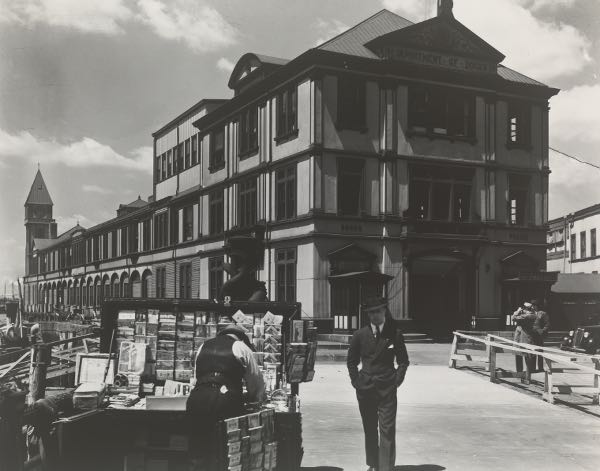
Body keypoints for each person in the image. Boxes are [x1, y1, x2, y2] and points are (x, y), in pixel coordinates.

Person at [186, 324, 265, 470]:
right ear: (240, 337)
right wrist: (252, 398)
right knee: (225, 449)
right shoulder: (240, 347)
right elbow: (256, 383)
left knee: (199, 449)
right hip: (225, 401)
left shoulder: (204, 346)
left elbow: (197, 377)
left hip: (197, 399)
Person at [346, 297, 410, 471]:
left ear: (384, 311)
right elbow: (351, 362)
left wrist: (396, 381)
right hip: (365, 388)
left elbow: (403, 361)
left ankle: (385, 467)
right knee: (369, 428)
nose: (375, 316)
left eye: (378, 311)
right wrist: (356, 381)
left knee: (387, 430)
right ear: (368, 315)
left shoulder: (395, 333)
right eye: (371, 313)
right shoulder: (359, 335)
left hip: (387, 388)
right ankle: (374, 464)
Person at [512, 302, 537, 374]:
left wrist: (517, 311)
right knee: (527, 356)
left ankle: (520, 373)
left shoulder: (526, 316)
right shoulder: (533, 315)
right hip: (527, 337)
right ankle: (528, 373)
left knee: (521, 355)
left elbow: (513, 318)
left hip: (521, 337)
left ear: (526, 309)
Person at [530, 299, 550, 371]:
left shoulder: (542, 313)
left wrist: (542, 331)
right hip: (531, 335)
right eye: (532, 305)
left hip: (539, 335)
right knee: (532, 351)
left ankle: (540, 367)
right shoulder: (530, 313)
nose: (532, 307)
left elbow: (547, 324)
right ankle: (532, 367)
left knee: (540, 351)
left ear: (536, 306)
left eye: (534, 305)